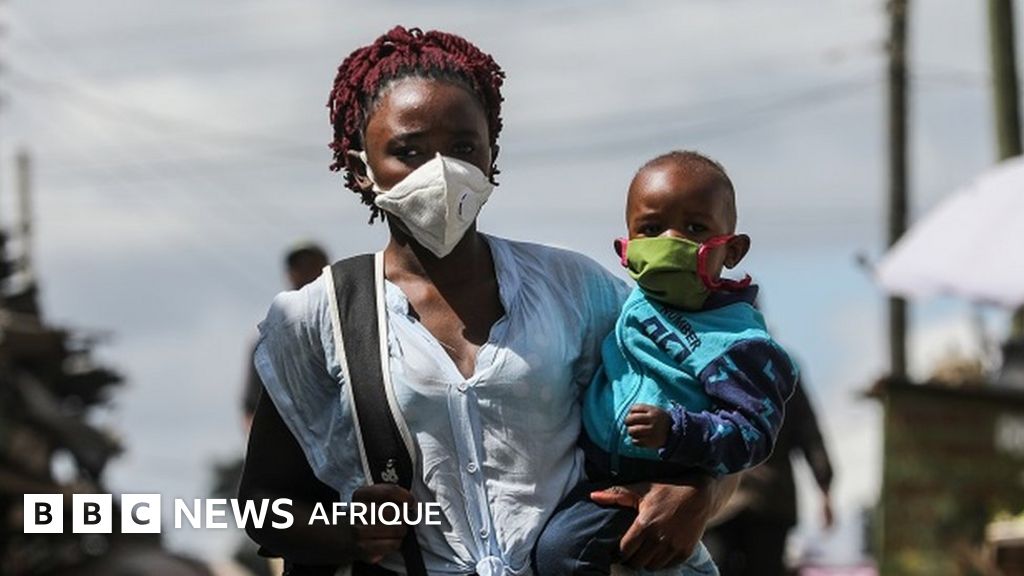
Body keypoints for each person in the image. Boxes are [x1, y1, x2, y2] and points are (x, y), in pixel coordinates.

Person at [238, 26, 739, 576]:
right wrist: (345, 531)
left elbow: (726, 407)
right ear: (362, 170)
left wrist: (700, 495)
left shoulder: (574, 289)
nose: (440, 171)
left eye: (462, 148)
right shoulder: (319, 318)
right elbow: (263, 508)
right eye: (408, 152)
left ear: (491, 155)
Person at [532, 152, 798, 576]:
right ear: (626, 248)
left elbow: (753, 435)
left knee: (562, 553)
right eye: (652, 229)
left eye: (694, 228)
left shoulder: (739, 344)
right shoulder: (624, 303)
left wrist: (678, 432)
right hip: (594, 476)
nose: (671, 241)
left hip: (662, 488)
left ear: (732, 250)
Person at [703, 381, 834, 576]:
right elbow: (810, 434)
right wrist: (825, 491)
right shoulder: (782, 372)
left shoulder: (713, 367)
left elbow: (809, 433)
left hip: (742, 498)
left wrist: (825, 489)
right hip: (751, 499)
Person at [241, 242, 330, 431]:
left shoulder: (343, 324)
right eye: (299, 267)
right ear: (289, 274)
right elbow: (251, 406)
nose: (306, 273)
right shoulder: (267, 337)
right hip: (289, 434)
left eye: (312, 265)